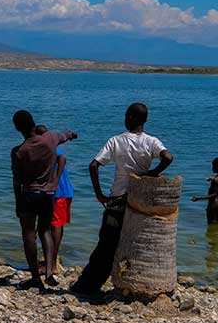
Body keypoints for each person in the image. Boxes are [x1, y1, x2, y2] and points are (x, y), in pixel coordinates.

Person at [71, 103, 173, 299]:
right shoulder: (151, 142)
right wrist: (151, 174)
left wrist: (99, 195)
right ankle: (134, 286)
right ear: (146, 120)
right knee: (135, 244)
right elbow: (168, 157)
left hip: (117, 203)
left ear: (131, 118)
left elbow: (93, 166)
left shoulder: (116, 141)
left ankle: (88, 286)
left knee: (106, 245)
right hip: (139, 204)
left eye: (127, 116)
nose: (125, 119)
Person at [11, 111, 77, 290]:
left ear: (17, 128)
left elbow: (17, 181)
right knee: (45, 231)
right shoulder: (50, 139)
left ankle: (35, 278)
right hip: (48, 195)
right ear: (33, 123)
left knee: (29, 235)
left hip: (29, 195)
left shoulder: (19, 151)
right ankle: (49, 271)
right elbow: (66, 136)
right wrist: (72, 134)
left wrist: (17, 203)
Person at [36, 125, 73, 286]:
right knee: (54, 225)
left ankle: (52, 264)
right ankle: (50, 261)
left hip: (59, 193)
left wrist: (55, 180)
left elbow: (62, 159)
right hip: (60, 192)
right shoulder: (51, 147)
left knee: (55, 225)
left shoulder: (50, 150)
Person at [192, 157, 218, 224]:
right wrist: (212, 178)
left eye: (214, 166)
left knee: (212, 224)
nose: (212, 168)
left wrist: (198, 198)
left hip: (213, 204)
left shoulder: (216, 180)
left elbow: (214, 195)